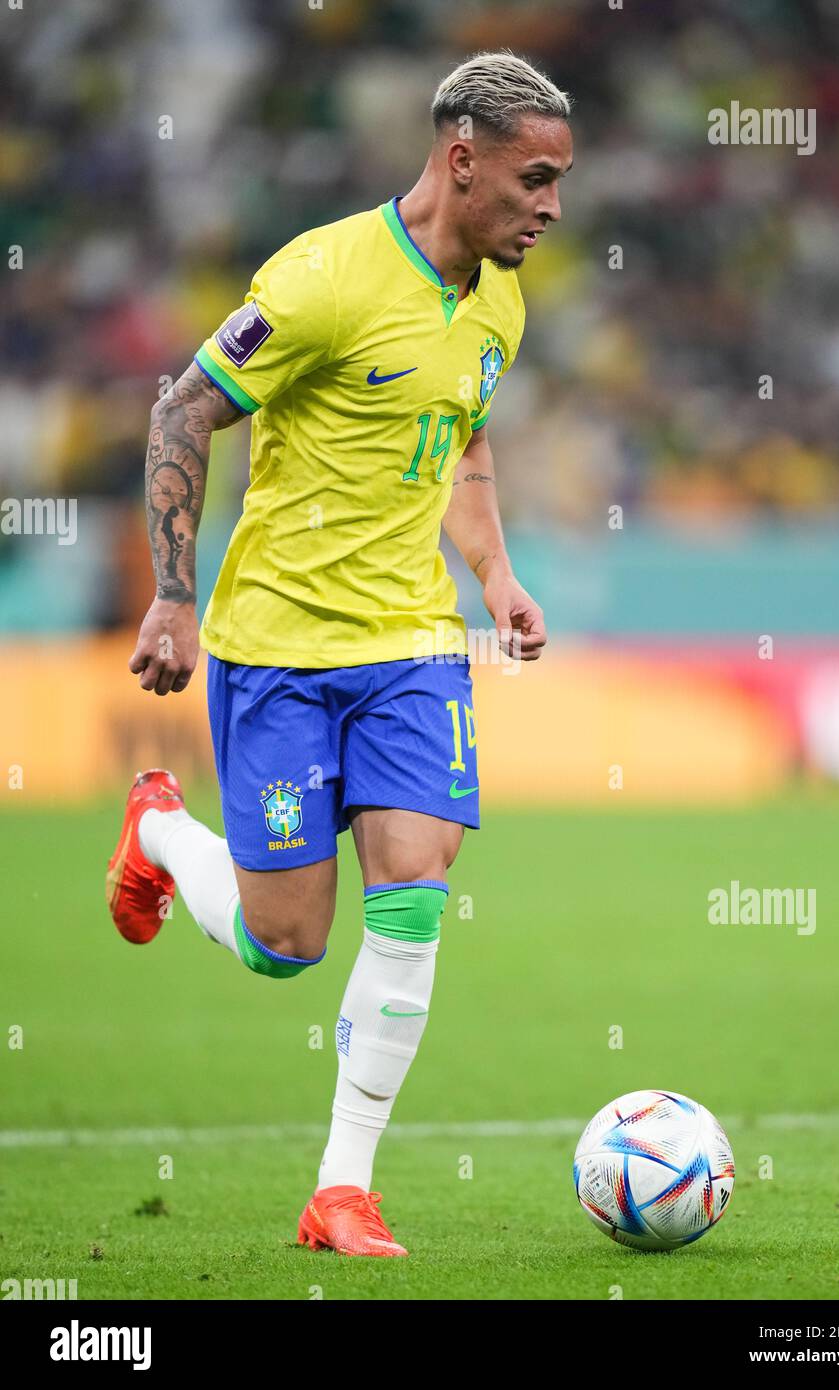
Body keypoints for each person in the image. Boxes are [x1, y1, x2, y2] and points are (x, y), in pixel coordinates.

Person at [106, 50, 572, 1256]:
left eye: (559, 184)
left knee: (414, 889)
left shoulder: (503, 303)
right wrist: (171, 594)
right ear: (460, 159)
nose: (552, 208)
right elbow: (180, 409)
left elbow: (460, 447)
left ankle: (341, 1188)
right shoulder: (320, 276)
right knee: (287, 946)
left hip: (411, 647)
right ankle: (158, 827)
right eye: (535, 179)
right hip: (277, 649)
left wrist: (494, 575)